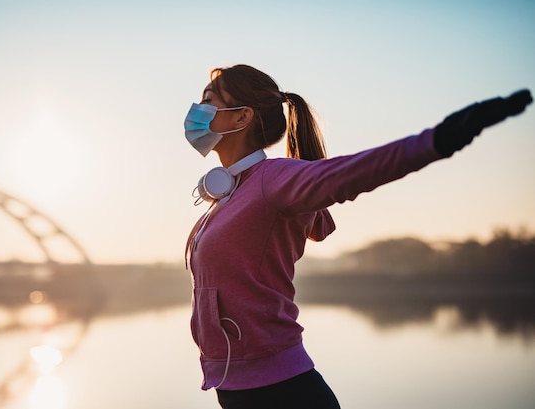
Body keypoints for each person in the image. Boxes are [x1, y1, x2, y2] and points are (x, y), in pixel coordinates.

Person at [183, 64, 532, 409]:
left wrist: (439, 140)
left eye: (208, 98)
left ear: (241, 117)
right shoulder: (228, 194)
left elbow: (355, 172)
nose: (197, 110)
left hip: (280, 391)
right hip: (234, 385)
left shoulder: (273, 179)